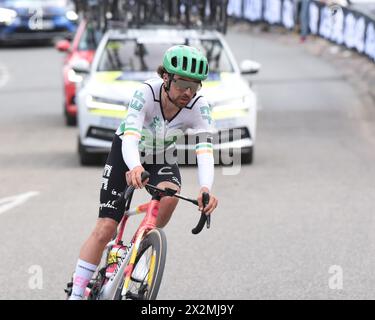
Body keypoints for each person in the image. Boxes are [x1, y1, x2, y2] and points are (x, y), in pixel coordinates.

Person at [69, 45, 219, 300]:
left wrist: (206, 187)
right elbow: (130, 137)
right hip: (128, 149)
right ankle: (75, 294)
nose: (188, 92)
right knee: (106, 227)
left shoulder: (199, 106)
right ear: (166, 77)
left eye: (195, 85)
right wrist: (135, 166)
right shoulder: (146, 93)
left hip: (161, 153)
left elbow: (204, 149)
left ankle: (137, 259)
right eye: (182, 83)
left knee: (170, 196)